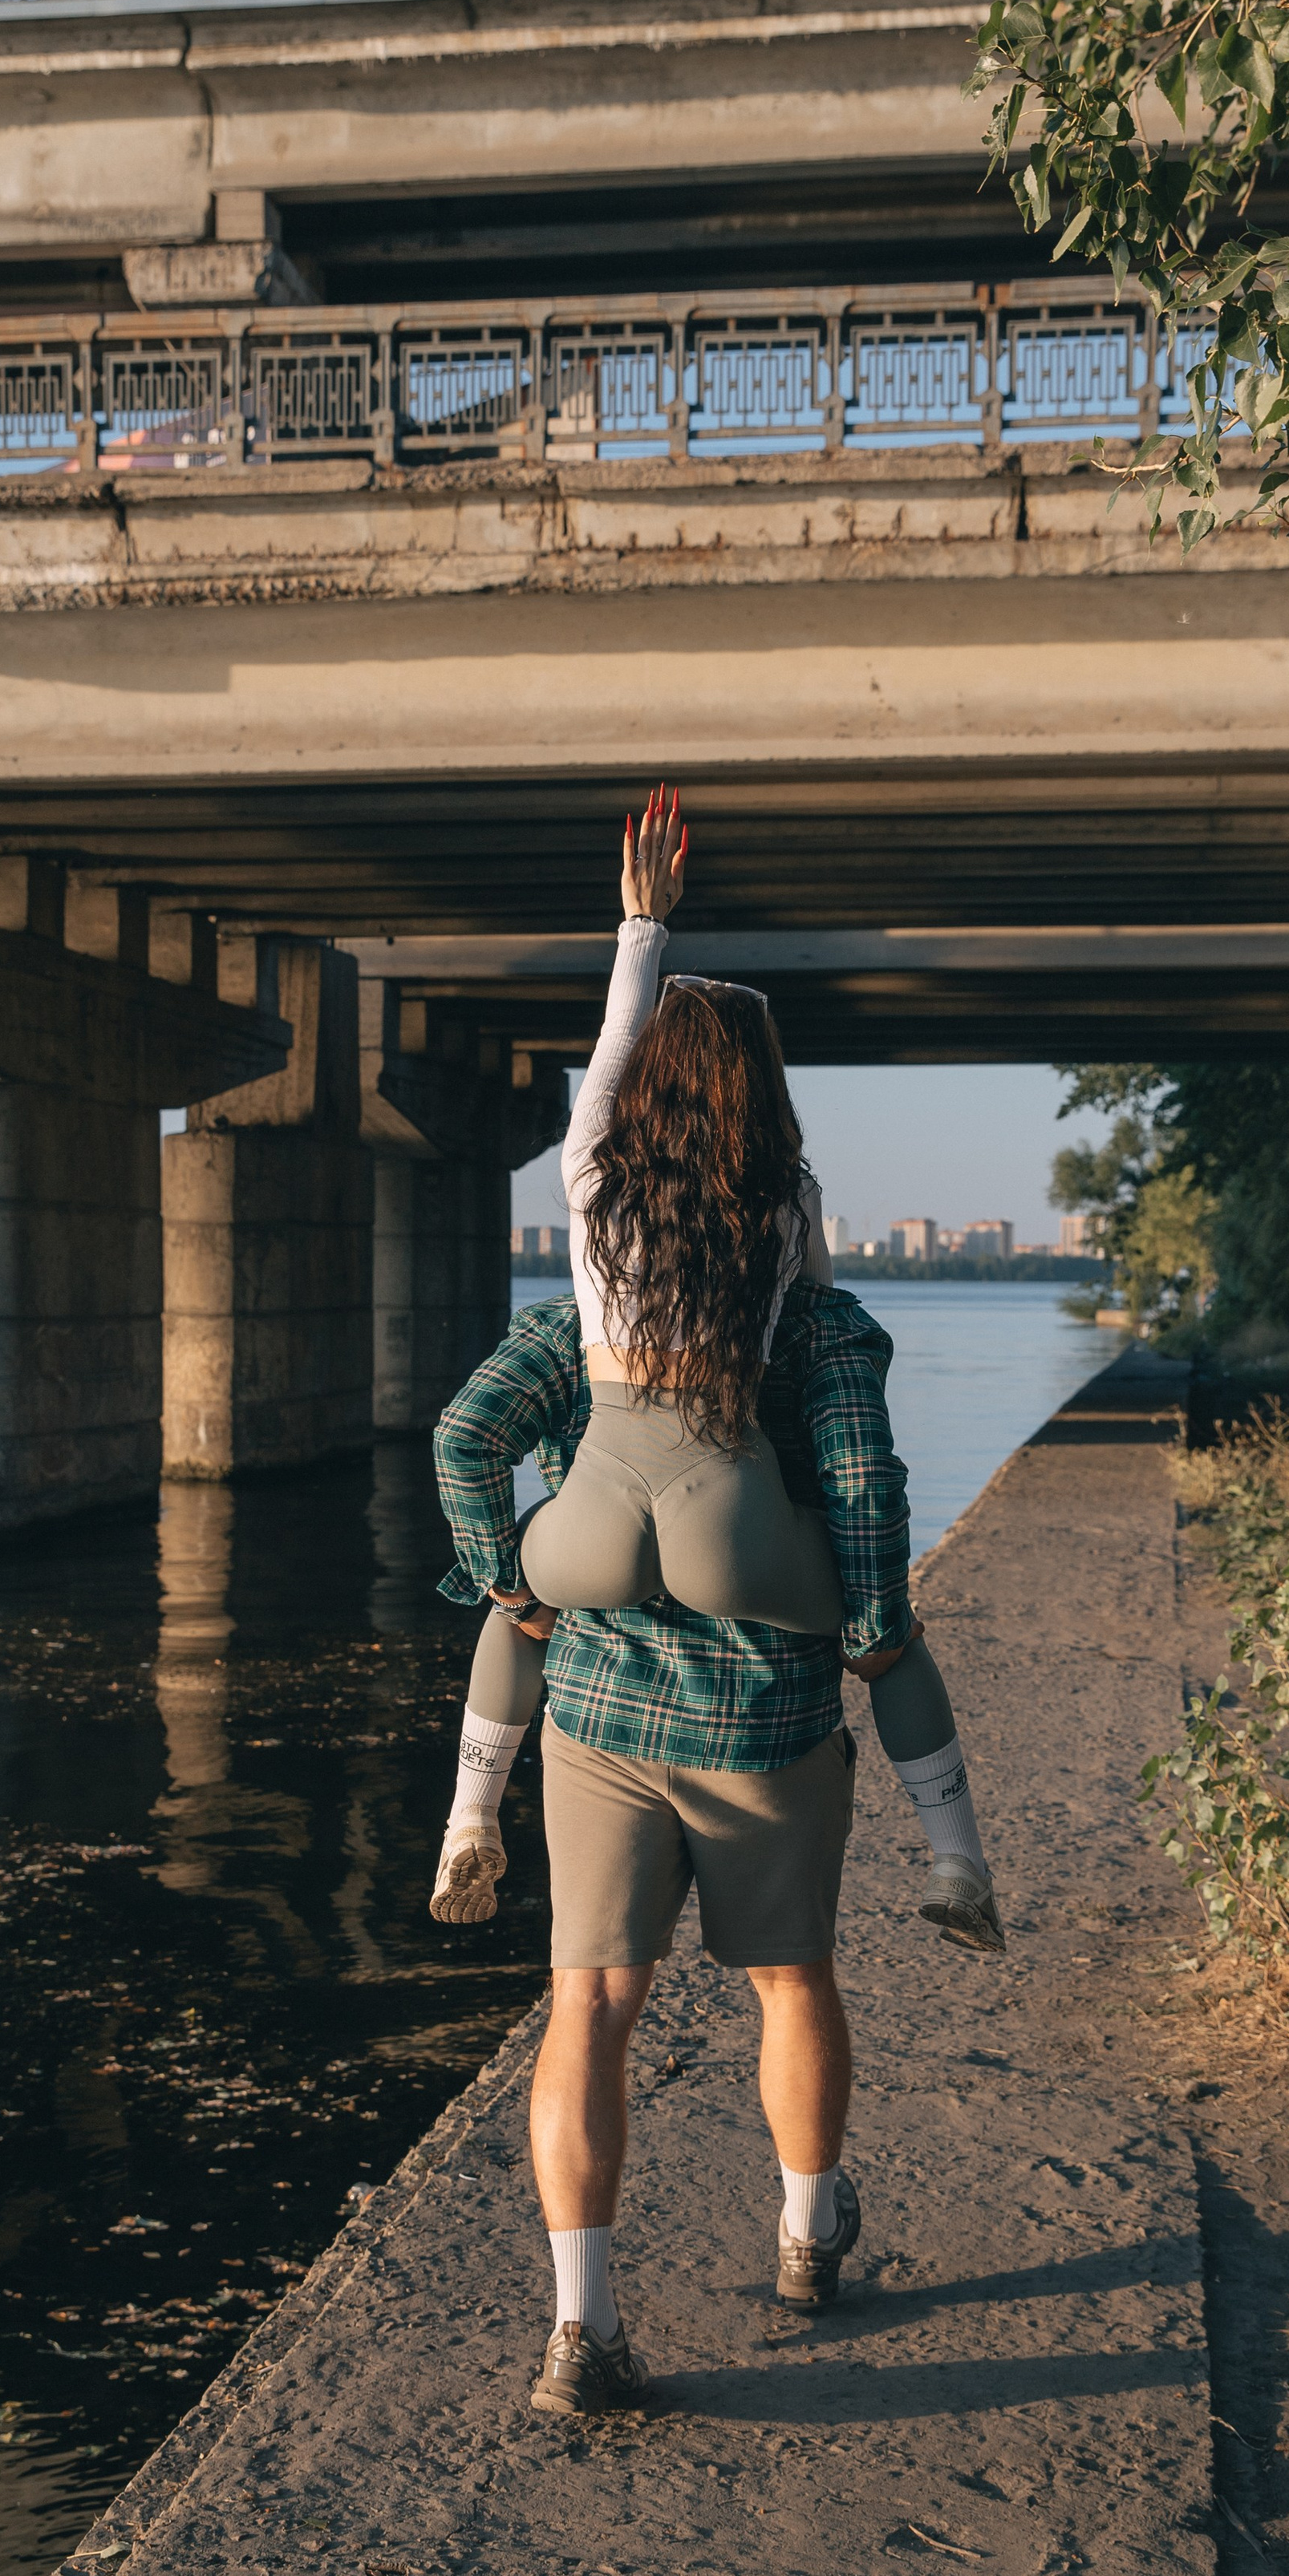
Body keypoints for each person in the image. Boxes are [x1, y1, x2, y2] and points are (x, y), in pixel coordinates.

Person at [427, 789, 1003, 2416]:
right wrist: (870, 1627)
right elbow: (869, 1512)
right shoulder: (786, 1259)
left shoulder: (593, 1216)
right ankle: (810, 2244)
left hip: (597, 1680)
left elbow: (472, 1426)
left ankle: (579, 2334)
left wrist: (640, 925)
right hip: (758, 1682)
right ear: (763, 1109)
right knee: (787, 1981)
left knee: (586, 2004)